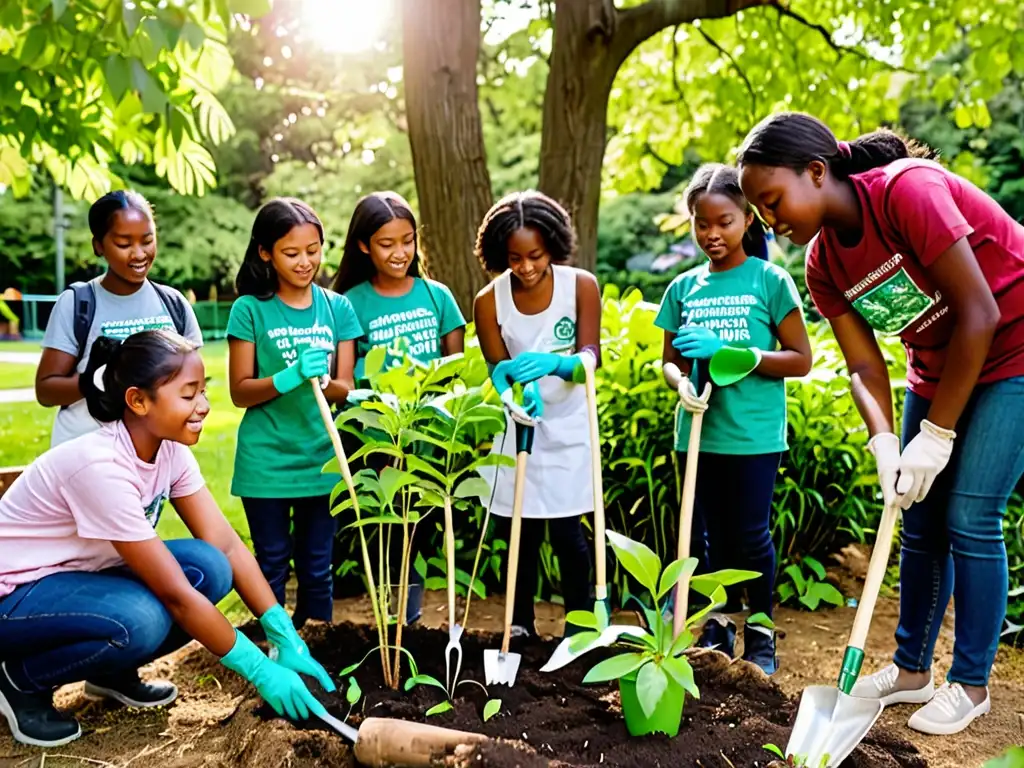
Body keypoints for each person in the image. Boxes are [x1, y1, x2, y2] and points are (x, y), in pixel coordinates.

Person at [738, 112, 1024, 734]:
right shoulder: (823, 264)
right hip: (939, 366)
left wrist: (939, 435)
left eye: (772, 200)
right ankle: (911, 670)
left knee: (970, 515)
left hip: (1014, 346)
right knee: (916, 517)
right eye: (760, 210)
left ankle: (970, 684)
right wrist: (886, 440)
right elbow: (863, 366)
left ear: (816, 172)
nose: (769, 221)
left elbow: (980, 313)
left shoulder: (907, 191)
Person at [0, 331, 332, 748]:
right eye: (188, 395)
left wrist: (280, 628)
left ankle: (111, 672)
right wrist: (260, 671)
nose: (204, 406)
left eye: (203, 391)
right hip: (13, 596)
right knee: (141, 619)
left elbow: (226, 545)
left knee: (210, 567)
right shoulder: (100, 466)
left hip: (73, 577)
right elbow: (175, 596)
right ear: (138, 401)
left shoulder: (169, 451)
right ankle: (18, 679)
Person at [655, 164, 811, 675]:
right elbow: (670, 361)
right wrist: (680, 385)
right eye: (702, 224)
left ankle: (761, 630)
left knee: (750, 536)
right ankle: (718, 623)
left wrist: (733, 351)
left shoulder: (770, 280)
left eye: (723, 222)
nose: (712, 235)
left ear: (747, 219)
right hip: (698, 433)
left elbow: (800, 359)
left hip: (753, 434)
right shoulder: (683, 288)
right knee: (708, 539)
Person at [331, 192, 466, 623]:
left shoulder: (437, 296)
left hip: (429, 440)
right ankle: (387, 620)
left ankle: (411, 620)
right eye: (387, 243)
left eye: (407, 241)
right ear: (364, 246)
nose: (400, 252)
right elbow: (346, 381)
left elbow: (456, 371)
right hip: (379, 440)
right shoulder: (349, 301)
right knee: (386, 532)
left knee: (421, 532)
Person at [227, 198, 363, 628]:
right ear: (265, 252)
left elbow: (347, 388)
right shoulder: (248, 309)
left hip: (321, 458)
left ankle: (316, 647)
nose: (305, 262)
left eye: (313, 250)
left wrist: (323, 381)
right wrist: (287, 377)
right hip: (266, 461)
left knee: (317, 568)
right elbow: (239, 391)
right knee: (270, 565)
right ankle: (274, 648)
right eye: (291, 253)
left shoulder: (337, 308)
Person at [473, 190, 601, 637]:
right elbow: (496, 368)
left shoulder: (580, 285)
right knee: (520, 535)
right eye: (514, 258)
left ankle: (580, 629)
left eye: (535, 256)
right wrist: (512, 390)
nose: (526, 267)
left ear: (553, 246)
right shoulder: (489, 301)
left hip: (568, 426)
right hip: (519, 426)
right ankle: (519, 625)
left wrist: (558, 364)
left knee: (568, 533)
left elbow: (590, 356)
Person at [35, 191, 202, 447]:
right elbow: (46, 390)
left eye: (147, 241)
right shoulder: (77, 304)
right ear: (98, 246)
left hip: (159, 458)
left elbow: (193, 386)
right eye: (124, 244)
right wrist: (93, 380)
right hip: (88, 452)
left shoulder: (174, 304)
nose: (138, 254)